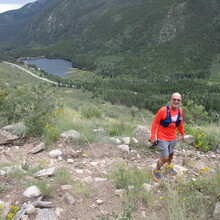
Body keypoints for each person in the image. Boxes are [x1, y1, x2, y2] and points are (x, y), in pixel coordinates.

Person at [150, 92, 185, 181]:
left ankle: (168, 166)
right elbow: (155, 123)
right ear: (170, 100)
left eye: (178, 100)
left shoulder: (180, 111)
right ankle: (156, 170)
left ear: (180, 101)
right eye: (174, 99)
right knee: (165, 156)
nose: (176, 101)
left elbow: (180, 123)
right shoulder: (163, 110)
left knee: (171, 153)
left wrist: (182, 134)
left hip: (173, 136)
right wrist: (153, 136)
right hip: (162, 137)